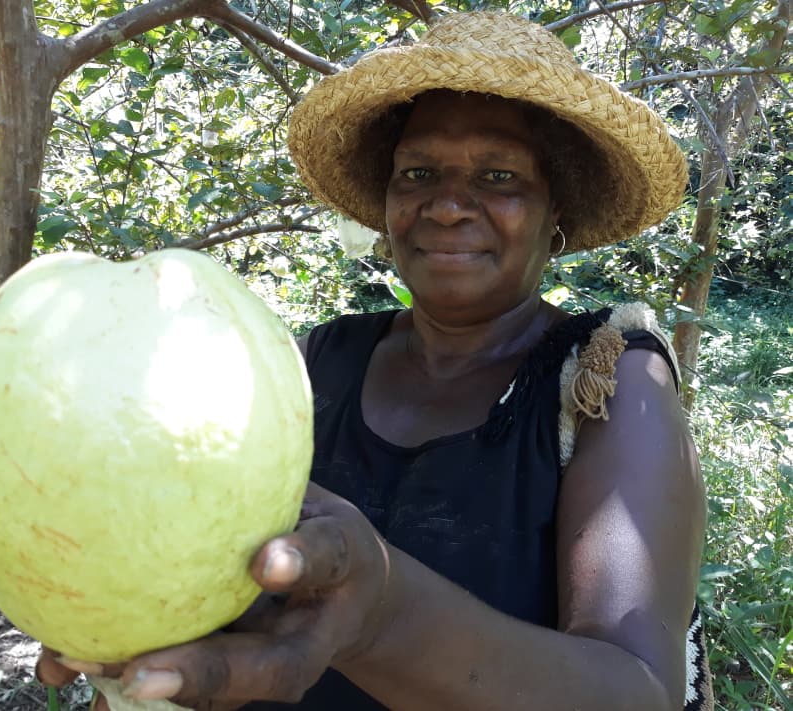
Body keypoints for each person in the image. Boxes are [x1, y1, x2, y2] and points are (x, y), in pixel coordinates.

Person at [37, 11, 710, 710]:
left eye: (499, 175)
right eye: (417, 172)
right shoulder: (312, 362)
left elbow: (639, 691)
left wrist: (382, 615)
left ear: (555, 210)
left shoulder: (607, 381)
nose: (447, 206)